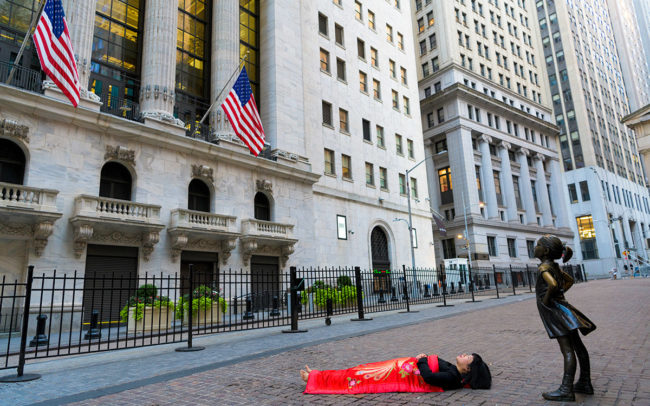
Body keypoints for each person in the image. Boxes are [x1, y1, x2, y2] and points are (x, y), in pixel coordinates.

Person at [534, 235, 596, 402]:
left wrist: (547, 299)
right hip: (564, 308)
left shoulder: (543, 268)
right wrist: (560, 293)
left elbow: (553, 284)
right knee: (577, 346)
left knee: (567, 349)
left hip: (555, 311)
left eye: (538, 245)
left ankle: (566, 389)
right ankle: (584, 382)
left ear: (545, 251)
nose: (535, 247)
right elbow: (568, 281)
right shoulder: (554, 265)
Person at [300, 352, 491, 394]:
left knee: (358, 377)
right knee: (359, 371)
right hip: (398, 368)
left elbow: (429, 377)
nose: (465, 354)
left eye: (469, 358)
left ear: (467, 369)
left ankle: (315, 378)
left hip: (396, 373)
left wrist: (422, 359)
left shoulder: (452, 377)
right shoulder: (452, 369)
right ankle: (318, 375)